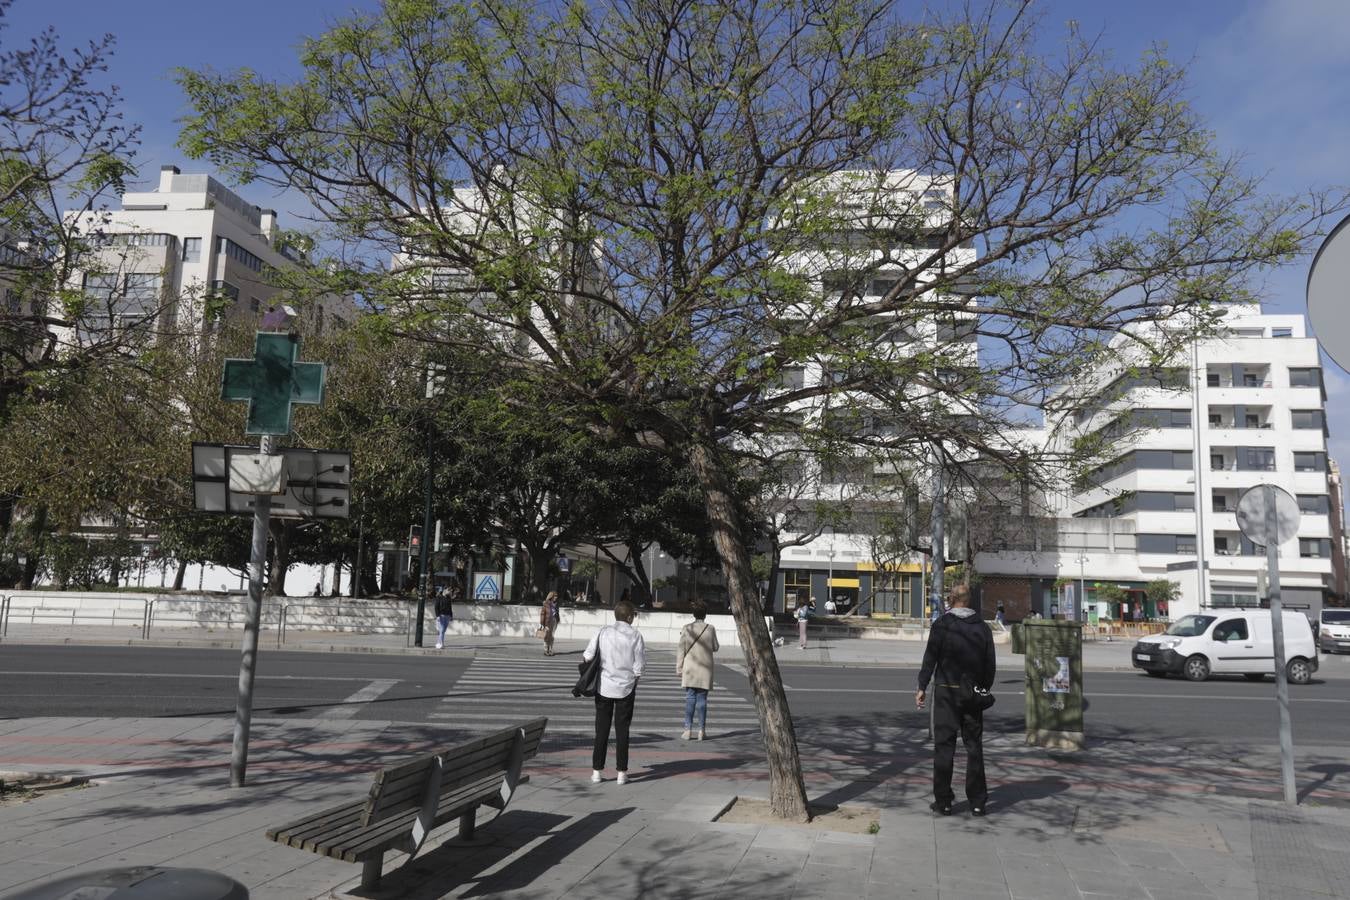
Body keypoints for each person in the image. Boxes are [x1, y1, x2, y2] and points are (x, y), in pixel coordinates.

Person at [916, 582, 996, 818]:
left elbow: (930, 658)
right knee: (974, 747)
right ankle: (978, 801)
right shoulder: (982, 628)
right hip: (972, 694)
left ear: (952, 598)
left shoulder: (942, 625)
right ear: (969, 600)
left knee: (944, 747)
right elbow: (990, 665)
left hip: (945, 692)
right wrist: (982, 688)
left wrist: (922, 685)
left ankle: (944, 801)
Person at [583, 599, 646, 785]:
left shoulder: (602, 632)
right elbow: (639, 665)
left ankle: (596, 771)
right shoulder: (636, 636)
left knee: (601, 730)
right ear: (628, 617)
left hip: (603, 687)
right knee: (622, 730)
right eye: (633, 615)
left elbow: (587, 656)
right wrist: (635, 679)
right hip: (626, 687)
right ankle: (622, 772)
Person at [676, 599, 720, 740]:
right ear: (705, 614)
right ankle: (702, 730)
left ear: (693, 614)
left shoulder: (687, 628)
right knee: (702, 700)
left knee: (690, 698)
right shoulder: (710, 628)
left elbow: (681, 650)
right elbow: (716, 647)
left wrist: (679, 667)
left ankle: (687, 730)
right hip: (705, 669)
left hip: (690, 668)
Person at [539, 591, 560, 656]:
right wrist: (542, 623)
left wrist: (558, 619)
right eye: (555, 596)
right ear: (551, 596)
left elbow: (557, 612)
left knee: (552, 635)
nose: (556, 597)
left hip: (554, 620)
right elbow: (542, 613)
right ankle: (546, 650)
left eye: (556, 596)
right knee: (547, 635)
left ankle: (550, 649)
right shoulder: (546, 603)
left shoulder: (556, 604)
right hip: (547, 621)